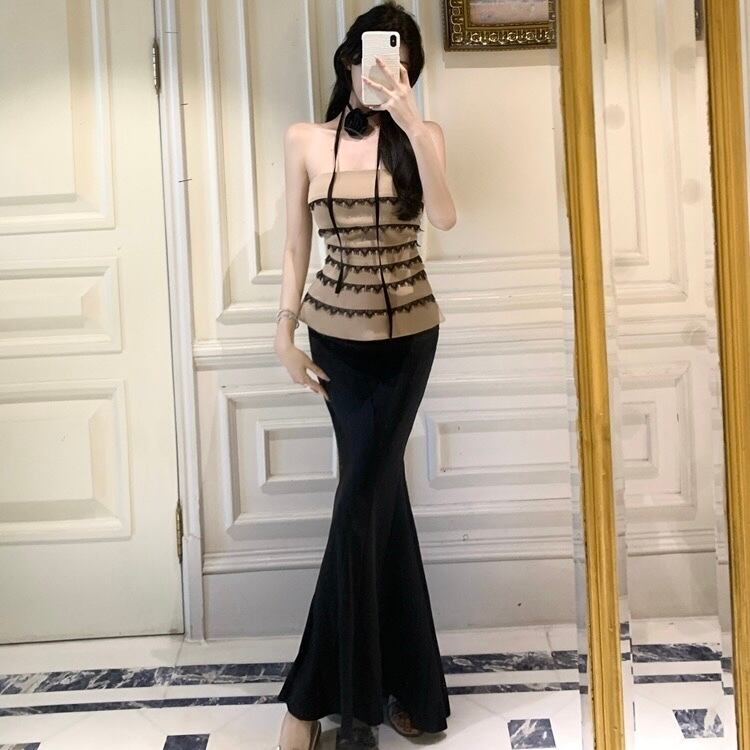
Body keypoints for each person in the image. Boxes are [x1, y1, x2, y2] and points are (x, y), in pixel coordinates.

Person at [273, 3, 455, 747]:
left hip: (410, 340)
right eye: (374, 59)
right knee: (377, 504)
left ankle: (312, 706)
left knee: (359, 506)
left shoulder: (423, 136)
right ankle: (415, 693)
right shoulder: (305, 140)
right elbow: (295, 246)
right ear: (348, 60)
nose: (382, 72)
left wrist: (410, 120)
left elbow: (445, 217)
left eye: (399, 65)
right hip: (336, 344)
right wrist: (283, 333)